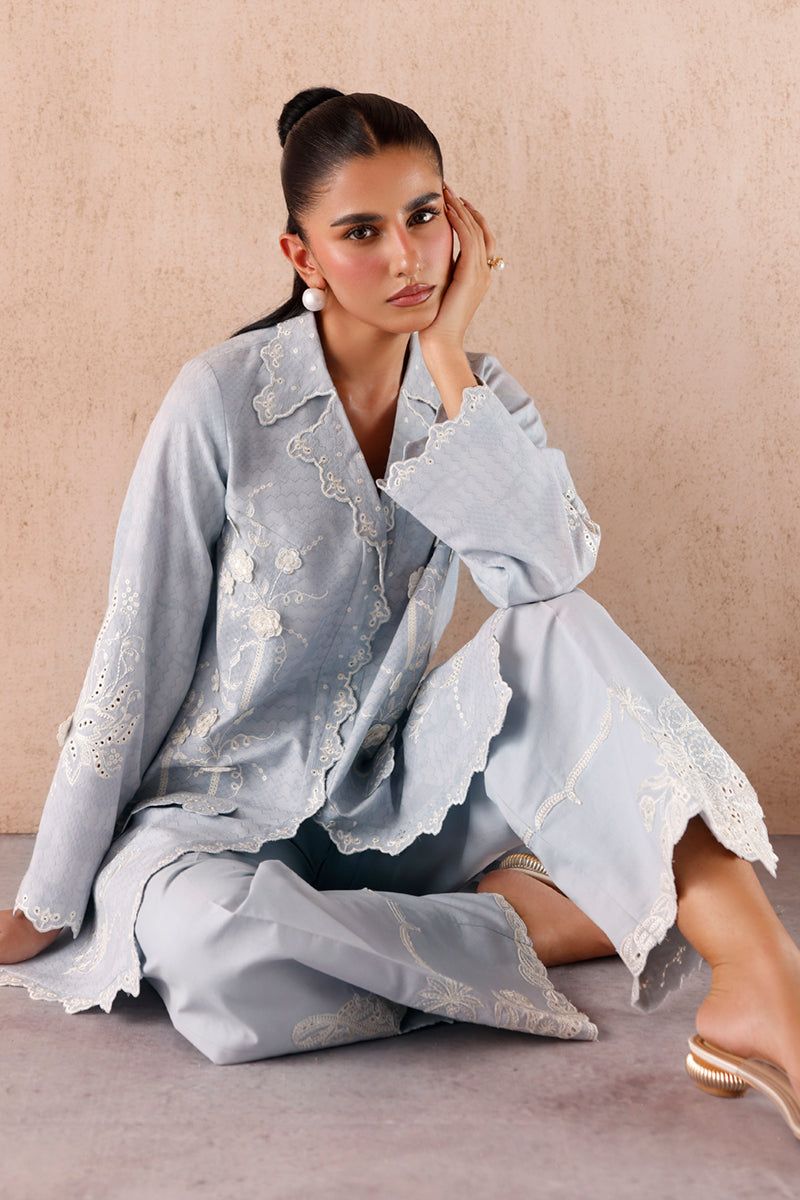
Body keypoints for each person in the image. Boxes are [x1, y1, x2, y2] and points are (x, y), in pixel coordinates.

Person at [1, 88, 798, 1135]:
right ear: (302, 255)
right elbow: (132, 652)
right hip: (212, 818)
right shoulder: (221, 398)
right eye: (362, 232)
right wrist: (48, 899)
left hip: (391, 802)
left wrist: (451, 353)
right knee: (209, 951)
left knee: (558, 626)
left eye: (423, 217)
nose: (406, 257)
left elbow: (548, 573)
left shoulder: (476, 393)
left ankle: (762, 983)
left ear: (458, 221)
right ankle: (541, 919)